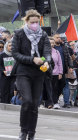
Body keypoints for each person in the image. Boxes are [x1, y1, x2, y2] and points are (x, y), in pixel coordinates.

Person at [11, 9, 52, 140]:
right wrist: (32, 59)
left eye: (37, 22)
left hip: (38, 73)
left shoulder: (43, 35)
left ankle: (32, 132)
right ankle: (23, 130)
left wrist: (46, 62)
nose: (35, 24)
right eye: (32, 22)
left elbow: (47, 52)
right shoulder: (19, 34)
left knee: (35, 104)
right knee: (27, 101)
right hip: (23, 71)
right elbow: (15, 54)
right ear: (27, 21)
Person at [0, 40, 16, 104]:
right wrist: (3, 71)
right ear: (6, 47)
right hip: (4, 76)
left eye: (12, 46)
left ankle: (11, 104)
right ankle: (3, 104)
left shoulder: (16, 55)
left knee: (12, 90)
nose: (11, 47)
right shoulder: (2, 55)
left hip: (13, 76)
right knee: (4, 90)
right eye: (10, 46)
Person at [50, 38, 64, 109]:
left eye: (53, 43)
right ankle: (47, 102)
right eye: (50, 43)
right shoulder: (44, 52)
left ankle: (55, 102)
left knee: (55, 88)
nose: (52, 44)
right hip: (46, 73)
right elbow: (42, 60)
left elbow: (60, 63)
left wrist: (60, 72)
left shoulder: (56, 52)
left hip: (55, 73)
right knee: (47, 88)